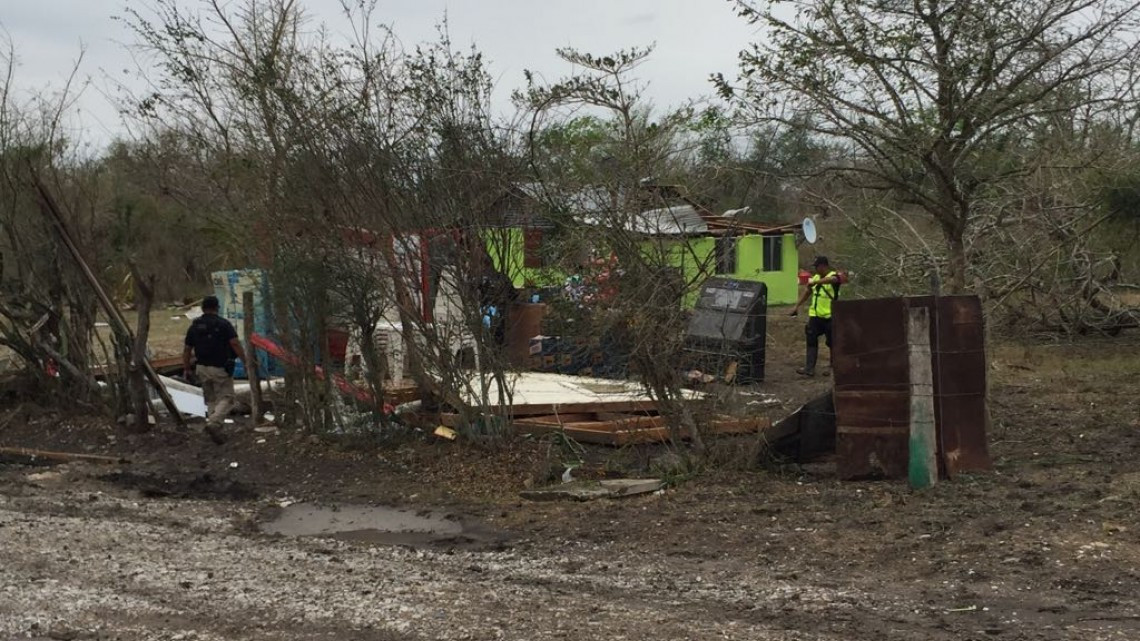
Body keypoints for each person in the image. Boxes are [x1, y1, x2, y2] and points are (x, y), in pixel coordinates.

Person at [183, 295, 247, 442]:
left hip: (201, 368)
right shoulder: (223, 324)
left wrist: (187, 368)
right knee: (228, 398)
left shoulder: (195, 326)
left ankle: (216, 430)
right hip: (220, 368)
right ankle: (214, 423)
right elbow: (235, 344)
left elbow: (187, 349)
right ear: (217, 308)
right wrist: (245, 361)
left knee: (211, 399)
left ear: (203, 308)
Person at [790, 256, 841, 377]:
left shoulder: (835, 276)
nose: (816, 270)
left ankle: (833, 368)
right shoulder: (816, 277)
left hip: (830, 316)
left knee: (832, 343)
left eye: (817, 267)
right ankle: (809, 368)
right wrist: (796, 306)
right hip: (815, 316)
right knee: (811, 340)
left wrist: (816, 282)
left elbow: (833, 280)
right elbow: (807, 292)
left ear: (824, 266)